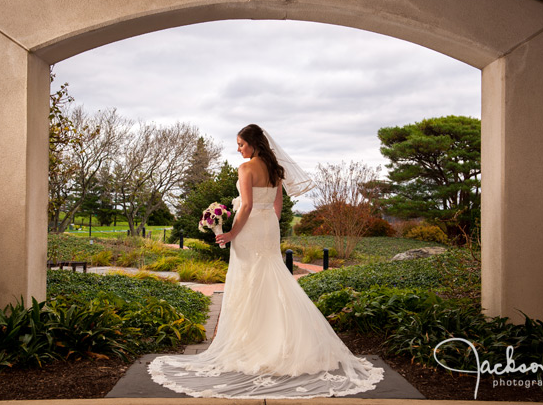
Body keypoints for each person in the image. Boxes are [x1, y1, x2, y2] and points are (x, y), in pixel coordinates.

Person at [148, 124, 384, 399]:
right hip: (268, 227)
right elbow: (278, 206)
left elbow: (246, 206)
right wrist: (269, 223)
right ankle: (277, 340)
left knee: (249, 282)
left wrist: (232, 233)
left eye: (240, 144)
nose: (238, 149)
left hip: (248, 228)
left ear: (253, 144)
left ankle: (253, 343)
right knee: (272, 278)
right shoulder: (275, 170)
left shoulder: (246, 169)